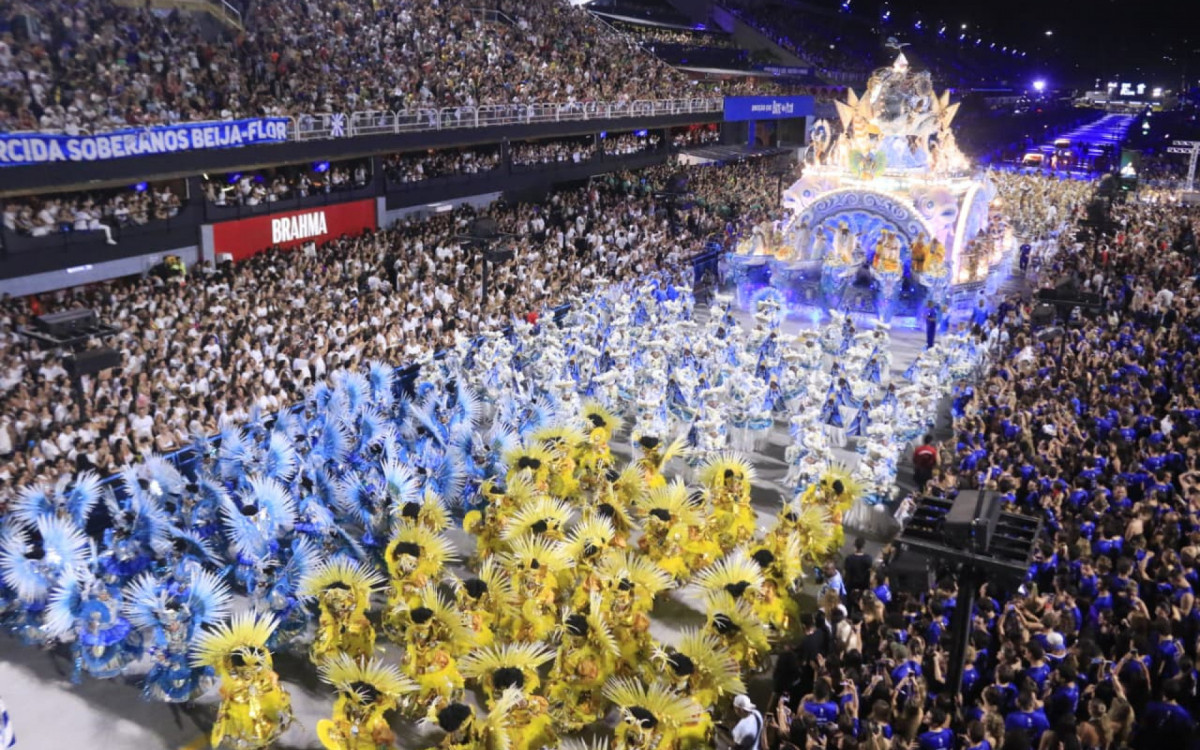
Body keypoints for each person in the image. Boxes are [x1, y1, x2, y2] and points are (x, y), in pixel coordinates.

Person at [843, 537, 873, 604]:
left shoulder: (849, 558)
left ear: (855, 545)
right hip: (863, 586)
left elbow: (845, 573)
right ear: (863, 546)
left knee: (848, 604)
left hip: (850, 586)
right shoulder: (868, 559)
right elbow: (870, 573)